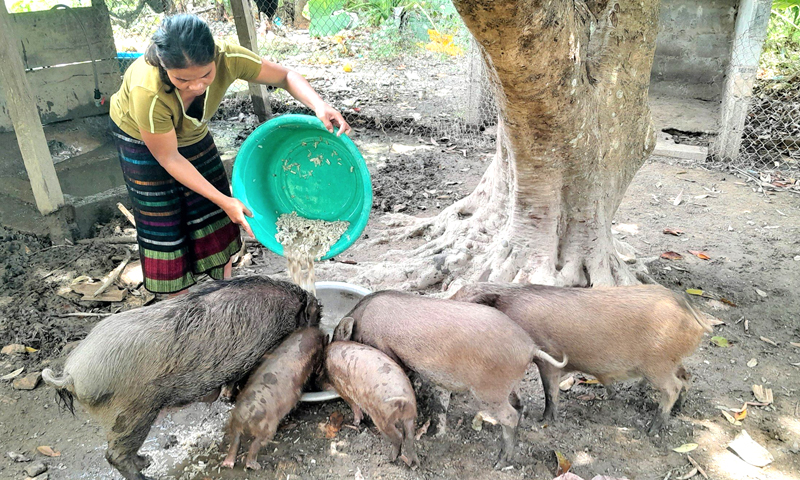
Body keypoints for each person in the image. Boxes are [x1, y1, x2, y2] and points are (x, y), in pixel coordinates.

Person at [109, 14, 350, 295]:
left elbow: (285, 76)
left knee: (216, 214)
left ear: (215, 57)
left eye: (205, 75)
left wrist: (319, 105)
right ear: (164, 66)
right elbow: (169, 158)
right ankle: (178, 302)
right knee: (164, 222)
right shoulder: (146, 90)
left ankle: (221, 291)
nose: (197, 86)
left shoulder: (228, 56)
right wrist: (225, 200)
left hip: (192, 132)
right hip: (142, 140)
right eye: (182, 79)